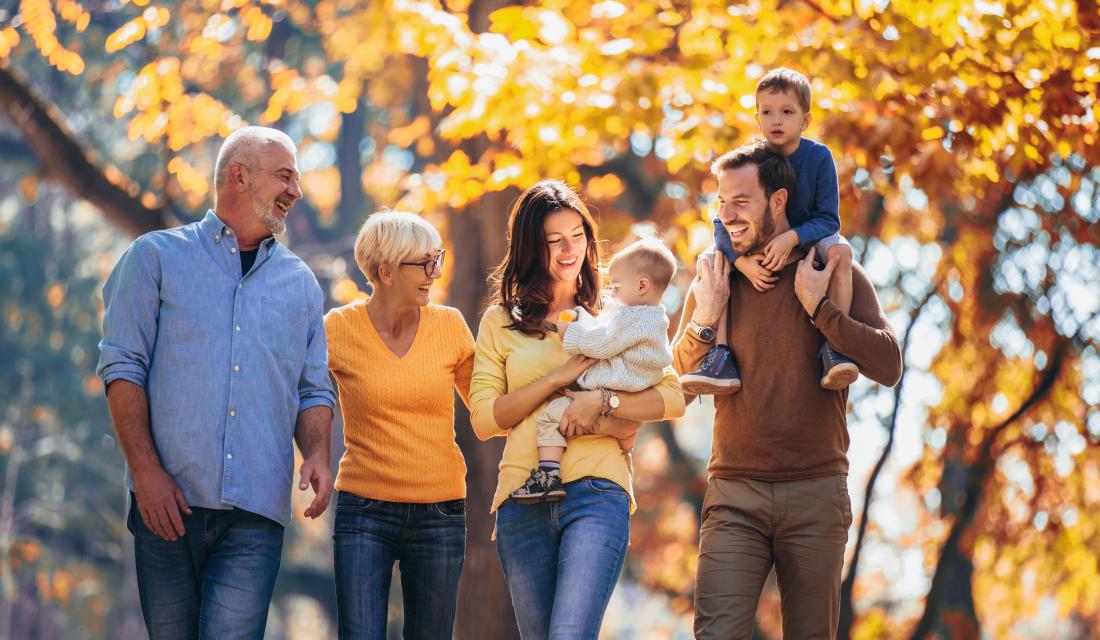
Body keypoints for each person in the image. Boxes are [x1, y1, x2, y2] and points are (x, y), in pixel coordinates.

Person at [97, 126, 336, 639]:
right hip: (166, 505)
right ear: (240, 175)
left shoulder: (300, 285)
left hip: (255, 514)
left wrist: (316, 453)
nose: (296, 190)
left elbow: (314, 389)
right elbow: (122, 367)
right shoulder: (154, 258)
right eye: (285, 176)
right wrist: (146, 473)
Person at [672, 141, 902, 639]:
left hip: (816, 490)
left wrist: (822, 310)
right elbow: (676, 385)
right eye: (721, 203)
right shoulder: (715, 277)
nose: (727, 216)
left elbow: (889, 365)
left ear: (778, 201)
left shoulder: (830, 270)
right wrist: (706, 320)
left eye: (742, 201)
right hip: (734, 493)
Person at [470, 180, 686, 639]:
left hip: (596, 492)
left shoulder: (618, 312)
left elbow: (672, 397)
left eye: (577, 235)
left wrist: (604, 401)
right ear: (532, 248)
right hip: (521, 501)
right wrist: (557, 377)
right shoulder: (500, 322)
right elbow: (485, 419)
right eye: (554, 241)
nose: (570, 250)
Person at [324, 211, 474, 640]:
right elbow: (304, 396)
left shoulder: (450, 326)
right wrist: (311, 458)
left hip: (440, 510)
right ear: (385, 271)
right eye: (423, 263)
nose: (435, 272)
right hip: (364, 510)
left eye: (437, 259)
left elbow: (488, 409)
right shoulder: (339, 329)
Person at [681, 67, 859, 395]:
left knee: (841, 252)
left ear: (805, 120)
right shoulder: (755, 159)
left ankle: (834, 346)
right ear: (757, 117)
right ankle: (719, 356)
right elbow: (723, 217)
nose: (776, 120)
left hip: (808, 239)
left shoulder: (819, 158)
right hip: (752, 243)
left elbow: (829, 220)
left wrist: (793, 237)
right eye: (767, 112)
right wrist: (738, 260)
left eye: (787, 112)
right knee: (714, 264)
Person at [510, 238, 677, 503]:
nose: (611, 293)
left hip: (615, 383)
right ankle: (624, 454)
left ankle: (547, 476)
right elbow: (606, 329)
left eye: (617, 286)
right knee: (622, 435)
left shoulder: (629, 316)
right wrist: (582, 317)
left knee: (550, 417)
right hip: (632, 391)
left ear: (642, 285)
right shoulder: (654, 318)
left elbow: (602, 342)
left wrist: (571, 333)